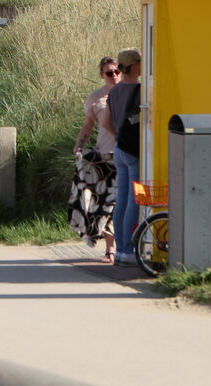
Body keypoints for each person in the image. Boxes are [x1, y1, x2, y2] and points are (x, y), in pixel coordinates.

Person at [71, 57, 122, 263]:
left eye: (117, 71)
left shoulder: (131, 93)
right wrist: (79, 145)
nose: (114, 76)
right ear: (102, 75)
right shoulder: (96, 99)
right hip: (105, 157)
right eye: (109, 73)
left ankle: (126, 247)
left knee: (121, 204)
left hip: (128, 154)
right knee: (108, 204)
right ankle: (111, 249)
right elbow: (87, 127)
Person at [101, 49, 142, 266]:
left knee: (122, 200)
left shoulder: (115, 91)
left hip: (119, 149)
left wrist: (118, 135)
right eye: (141, 62)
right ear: (134, 66)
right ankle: (127, 248)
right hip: (134, 151)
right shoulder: (141, 90)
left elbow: (105, 123)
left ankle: (120, 249)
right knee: (134, 201)